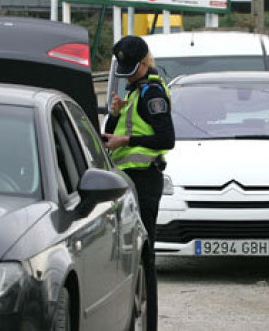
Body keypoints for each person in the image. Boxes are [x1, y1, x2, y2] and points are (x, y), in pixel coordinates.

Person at [102, 35, 175, 331]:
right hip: (126, 183)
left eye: (132, 68)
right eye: (124, 68)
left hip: (144, 182)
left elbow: (166, 139)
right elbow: (112, 136)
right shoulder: (133, 92)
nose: (128, 73)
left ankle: (150, 323)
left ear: (145, 62)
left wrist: (127, 139)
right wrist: (115, 115)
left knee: (145, 257)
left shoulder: (151, 93)